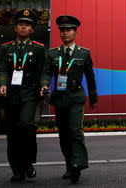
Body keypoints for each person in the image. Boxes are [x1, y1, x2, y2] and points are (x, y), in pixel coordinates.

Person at [40, 15, 98, 183]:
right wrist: (44, 86)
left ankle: (77, 165)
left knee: (75, 131)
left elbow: (90, 76)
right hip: (59, 98)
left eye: (68, 30)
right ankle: (69, 165)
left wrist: (93, 97)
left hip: (76, 98)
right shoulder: (52, 54)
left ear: (75, 32)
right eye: (62, 30)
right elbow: (46, 73)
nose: (65, 33)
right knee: (64, 135)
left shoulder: (84, 54)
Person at [0, 9, 45, 182]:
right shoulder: (5, 48)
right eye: (21, 24)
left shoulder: (38, 49)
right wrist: (2, 83)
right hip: (11, 95)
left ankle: (29, 163)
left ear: (32, 30)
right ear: (15, 28)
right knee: (12, 132)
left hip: (29, 94)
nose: (24, 27)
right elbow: (1, 68)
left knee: (26, 125)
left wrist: (43, 89)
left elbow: (42, 72)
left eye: (28, 25)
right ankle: (17, 169)